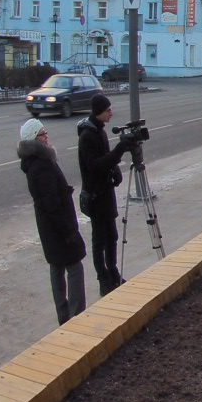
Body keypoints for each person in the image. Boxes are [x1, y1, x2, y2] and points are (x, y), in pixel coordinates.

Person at [18, 117, 86, 324]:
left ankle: (64, 315)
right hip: (58, 226)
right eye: (43, 133)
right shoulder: (42, 165)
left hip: (48, 227)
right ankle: (76, 315)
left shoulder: (36, 162)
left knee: (56, 267)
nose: (47, 136)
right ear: (34, 139)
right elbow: (52, 203)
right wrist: (68, 231)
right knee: (74, 267)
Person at [76, 93, 135, 294]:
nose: (111, 113)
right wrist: (119, 150)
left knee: (112, 236)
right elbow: (95, 166)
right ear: (99, 112)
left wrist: (115, 170)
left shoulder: (99, 131)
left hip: (106, 193)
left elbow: (106, 160)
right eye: (108, 110)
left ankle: (113, 272)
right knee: (99, 239)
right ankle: (103, 279)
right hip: (96, 196)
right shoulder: (87, 136)